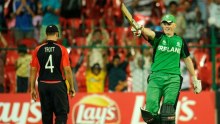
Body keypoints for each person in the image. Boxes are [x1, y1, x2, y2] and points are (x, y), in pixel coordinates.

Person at [131, 14, 202, 123]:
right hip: (155, 78)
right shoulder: (159, 37)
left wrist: (195, 78)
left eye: (169, 23)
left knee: (167, 113)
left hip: (173, 79)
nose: (166, 26)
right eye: (164, 23)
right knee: (149, 114)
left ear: (174, 25)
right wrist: (141, 29)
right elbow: (150, 33)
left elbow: (187, 60)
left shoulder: (180, 41)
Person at [30, 25, 75, 124]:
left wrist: (32, 88)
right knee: (61, 114)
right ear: (57, 34)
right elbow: (67, 70)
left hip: (43, 85)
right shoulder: (62, 49)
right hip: (58, 84)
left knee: (46, 115)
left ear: (46, 35)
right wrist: (71, 87)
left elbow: (33, 70)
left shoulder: (37, 49)